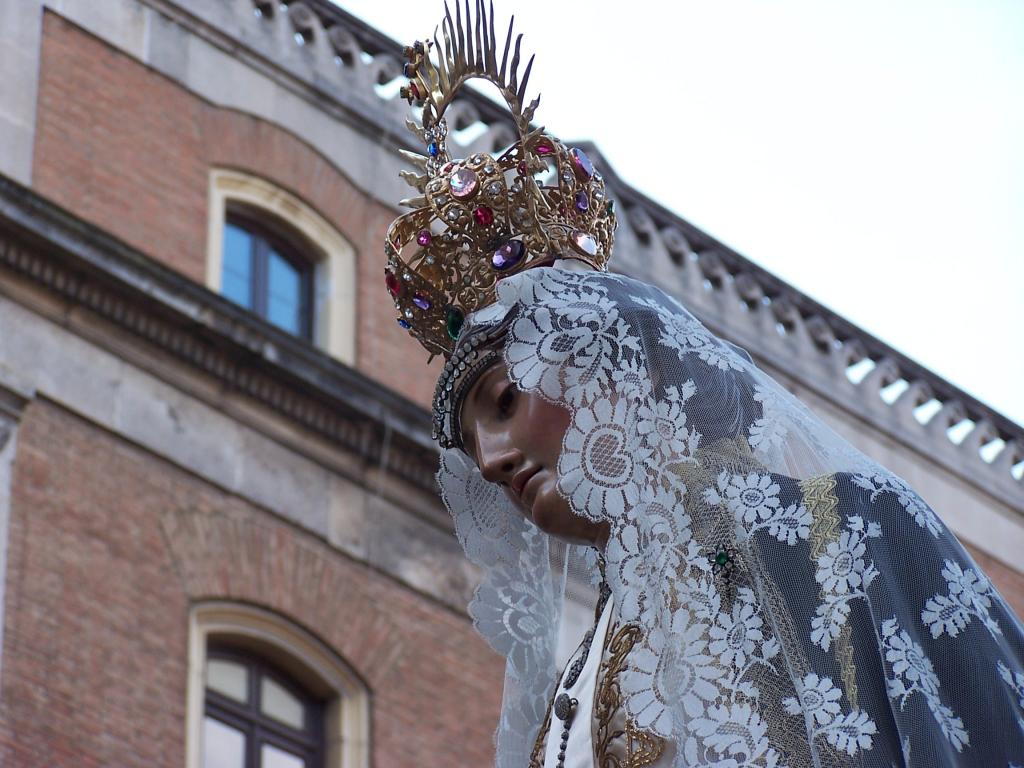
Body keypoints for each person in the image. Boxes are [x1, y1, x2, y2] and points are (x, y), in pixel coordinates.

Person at [384, 4, 1024, 766]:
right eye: (470, 445)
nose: (489, 460)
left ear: (605, 364)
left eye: (504, 402)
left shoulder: (845, 533)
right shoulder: (571, 696)